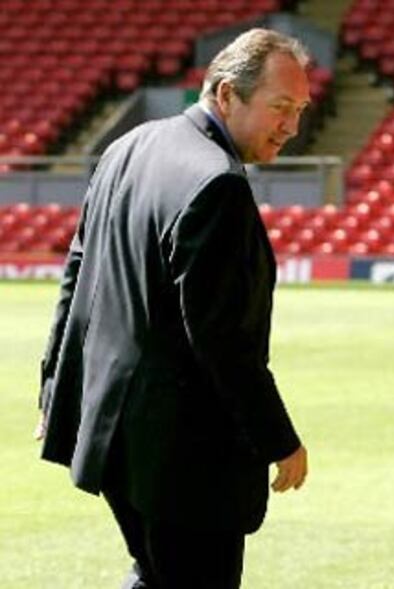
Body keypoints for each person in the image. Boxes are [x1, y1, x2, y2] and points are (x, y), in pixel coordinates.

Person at [35, 27, 310, 589]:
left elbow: (76, 273)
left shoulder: (128, 147)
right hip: (183, 461)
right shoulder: (218, 185)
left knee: (154, 575)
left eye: (301, 110)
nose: (292, 127)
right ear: (226, 94)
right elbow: (222, 341)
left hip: (114, 443)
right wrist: (280, 440)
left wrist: (52, 390)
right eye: (280, 107)